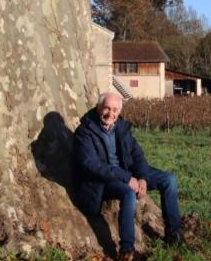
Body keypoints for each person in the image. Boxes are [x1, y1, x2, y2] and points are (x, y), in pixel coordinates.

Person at [73, 92, 182, 259]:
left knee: (169, 180)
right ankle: (127, 250)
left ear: (119, 111)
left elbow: (137, 155)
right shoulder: (84, 131)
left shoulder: (121, 127)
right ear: (98, 108)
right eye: (107, 108)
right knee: (128, 192)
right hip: (103, 180)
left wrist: (143, 178)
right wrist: (126, 178)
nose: (111, 114)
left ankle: (173, 236)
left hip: (127, 172)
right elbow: (92, 166)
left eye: (115, 110)